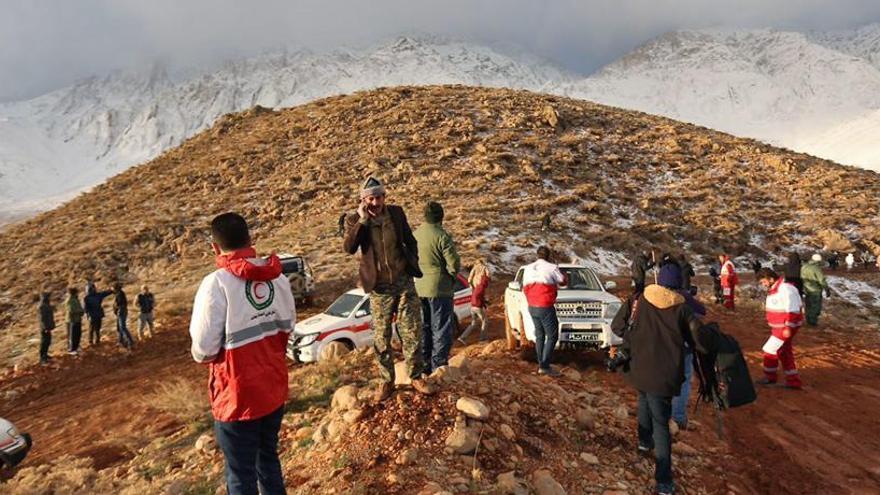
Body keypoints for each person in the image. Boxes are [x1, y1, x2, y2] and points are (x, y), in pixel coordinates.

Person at [189, 212, 295, 495]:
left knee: (240, 475)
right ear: (251, 240)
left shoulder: (216, 284)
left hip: (236, 396)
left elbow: (203, 348)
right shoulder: (279, 279)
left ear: (214, 247)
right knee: (269, 461)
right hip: (272, 386)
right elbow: (288, 327)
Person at [611, 262, 698, 495]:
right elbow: (697, 342)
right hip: (665, 374)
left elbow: (617, 327)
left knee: (643, 398)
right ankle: (664, 481)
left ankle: (643, 441)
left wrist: (635, 338)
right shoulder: (682, 310)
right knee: (662, 423)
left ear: (658, 280)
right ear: (679, 284)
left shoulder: (639, 300)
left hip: (640, 367)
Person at [343, 176, 433, 401]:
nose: (377, 202)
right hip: (379, 287)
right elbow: (349, 247)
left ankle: (416, 376)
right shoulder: (354, 219)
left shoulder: (396, 213)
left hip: (403, 281)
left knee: (412, 330)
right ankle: (386, 381)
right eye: (371, 198)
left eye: (380, 196)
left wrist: (412, 259)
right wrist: (362, 221)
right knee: (382, 336)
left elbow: (410, 240)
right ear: (363, 200)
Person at [656, 264, 706, 431]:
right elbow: (702, 311)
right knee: (683, 380)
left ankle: (660, 414)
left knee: (662, 379)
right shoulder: (684, 296)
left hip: (661, 345)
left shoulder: (653, 297)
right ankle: (677, 417)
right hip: (682, 346)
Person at [414, 201, 461, 374]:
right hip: (439, 288)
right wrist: (452, 275)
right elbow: (453, 263)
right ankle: (438, 367)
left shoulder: (416, 235)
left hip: (419, 286)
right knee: (440, 327)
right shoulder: (442, 236)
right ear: (441, 217)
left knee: (424, 326)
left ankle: (424, 365)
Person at [756, 268, 803, 389]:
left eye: (763, 282)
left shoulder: (786, 289)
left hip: (784, 328)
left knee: (769, 349)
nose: (763, 285)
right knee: (783, 352)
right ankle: (793, 381)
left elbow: (793, 309)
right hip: (779, 327)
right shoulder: (775, 289)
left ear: (771, 279)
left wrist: (788, 326)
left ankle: (770, 377)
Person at [523, 246, 567, 376]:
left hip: (532, 306)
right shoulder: (552, 267)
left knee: (540, 335)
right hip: (545, 305)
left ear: (537, 255)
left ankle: (540, 362)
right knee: (552, 336)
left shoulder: (528, 268)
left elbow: (524, 286)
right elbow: (563, 281)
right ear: (548, 256)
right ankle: (545, 365)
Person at [459, 259, 491, 344]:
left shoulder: (476, 288)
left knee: (473, 323)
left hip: (472, 306)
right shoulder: (481, 287)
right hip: (477, 306)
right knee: (485, 321)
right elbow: (488, 276)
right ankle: (482, 339)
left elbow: (470, 279)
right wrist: (484, 304)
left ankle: (462, 337)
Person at [801, 254, 831, 327]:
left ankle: (808, 320)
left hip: (806, 289)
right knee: (815, 306)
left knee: (808, 305)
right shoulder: (816, 268)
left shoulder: (804, 266)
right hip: (815, 290)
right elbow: (821, 280)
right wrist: (827, 289)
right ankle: (813, 322)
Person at [112, 283, 134, 351]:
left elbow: (120, 304)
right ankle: (121, 341)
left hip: (121, 312)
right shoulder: (119, 293)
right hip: (121, 312)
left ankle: (130, 341)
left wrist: (117, 308)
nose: (112, 289)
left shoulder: (120, 294)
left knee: (122, 327)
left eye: (113, 288)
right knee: (119, 328)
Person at [66, 287, 85, 355]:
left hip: (77, 319)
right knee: (73, 335)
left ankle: (76, 347)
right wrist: (81, 311)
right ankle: (72, 349)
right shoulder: (70, 300)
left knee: (78, 334)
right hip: (72, 320)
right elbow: (71, 310)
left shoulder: (75, 299)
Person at [38, 292, 55, 365]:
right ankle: (42, 358)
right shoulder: (42, 307)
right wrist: (45, 327)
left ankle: (45, 355)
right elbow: (42, 319)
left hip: (47, 327)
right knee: (44, 342)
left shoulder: (46, 305)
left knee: (48, 341)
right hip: (45, 328)